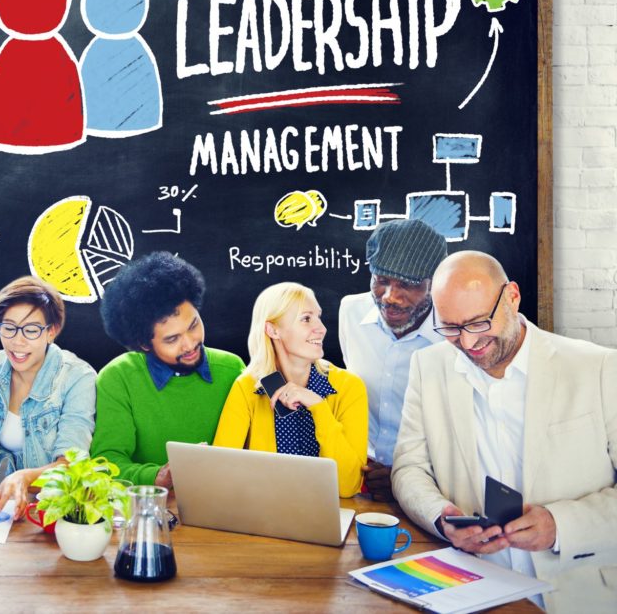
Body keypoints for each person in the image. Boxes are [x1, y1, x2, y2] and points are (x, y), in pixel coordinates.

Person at [392, 251, 617, 613]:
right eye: (450, 328)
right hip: (471, 590)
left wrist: (561, 525)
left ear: (512, 297)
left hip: (579, 593)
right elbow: (409, 467)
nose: (467, 343)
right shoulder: (428, 366)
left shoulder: (600, 368)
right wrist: (441, 516)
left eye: (479, 323)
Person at [89, 251, 245, 486]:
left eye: (194, 325)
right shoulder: (118, 378)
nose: (190, 343)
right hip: (148, 509)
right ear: (143, 344)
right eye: (172, 339)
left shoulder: (232, 368)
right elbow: (106, 462)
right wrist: (158, 476)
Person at [214, 283, 368, 497]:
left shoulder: (348, 387)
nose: (321, 328)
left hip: (328, 514)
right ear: (272, 330)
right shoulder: (247, 388)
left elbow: (347, 486)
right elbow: (220, 472)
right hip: (265, 511)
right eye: (306, 318)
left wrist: (319, 407)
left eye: (319, 317)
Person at [338, 219, 446, 501]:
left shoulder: (457, 336)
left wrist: (407, 474)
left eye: (407, 285)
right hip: (358, 479)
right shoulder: (350, 312)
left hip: (430, 487)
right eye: (381, 281)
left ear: (434, 283)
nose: (390, 297)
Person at [0, 276, 96, 519]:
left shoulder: (77, 377)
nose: (17, 341)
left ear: (51, 331)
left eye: (31, 330)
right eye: (8, 327)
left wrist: (25, 476)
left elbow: (72, 465)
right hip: (6, 511)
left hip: (55, 512)